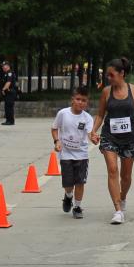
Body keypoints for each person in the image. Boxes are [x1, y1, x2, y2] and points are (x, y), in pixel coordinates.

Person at [90, 57, 134, 224]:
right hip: (109, 137)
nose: (108, 78)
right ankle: (118, 210)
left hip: (129, 138)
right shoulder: (106, 92)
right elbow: (100, 115)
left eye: (111, 75)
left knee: (126, 176)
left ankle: (123, 197)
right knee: (112, 170)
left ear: (122, 73)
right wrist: (93, 131)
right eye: (107, 75)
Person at [52, 87, 94, 219]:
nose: (80, 102)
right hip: (65, 154)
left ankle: (77, 207)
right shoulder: (63, 114)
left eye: (84, 100)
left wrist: (94, 138)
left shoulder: (87, 118)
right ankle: (68, 196)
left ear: (87, 103)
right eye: (78, 99)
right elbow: (54, 128)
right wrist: (57, 141)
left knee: (80, 182)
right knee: (68, 184)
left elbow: (90, 133)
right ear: (72, 100)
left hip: (82, 154)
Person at [0, 61, 17, 125]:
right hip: (8, 92)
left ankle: (10, 121)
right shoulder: (6, 73)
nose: (2, 67)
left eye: (3, 66)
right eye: (2, 66)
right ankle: (8, 120)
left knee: (9, 107)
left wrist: (3, 89)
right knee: (7, 107)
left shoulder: (10, 73)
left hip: (10, 92)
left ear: (8, 66)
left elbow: (8, 83)